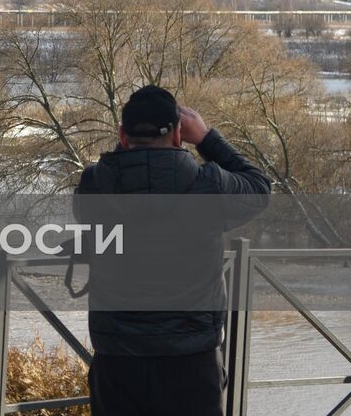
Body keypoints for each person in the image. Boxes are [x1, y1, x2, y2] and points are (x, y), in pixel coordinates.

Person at [74, 84, 270, 416]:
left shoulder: (94, 185)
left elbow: (121, 174)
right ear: (179, 134)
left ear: (122, 135)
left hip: (118, 360)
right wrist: (207, 138)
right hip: (191, 361)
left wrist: (131, 148)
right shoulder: (208, 186)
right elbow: (259, 188)